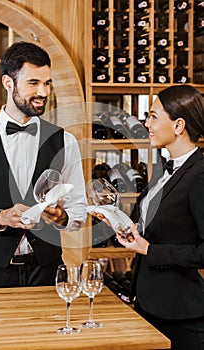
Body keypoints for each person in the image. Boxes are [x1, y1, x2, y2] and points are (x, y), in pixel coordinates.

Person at [0, 41, 87, 288]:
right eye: (33, 83)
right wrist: (0, 218)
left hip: (48, 274)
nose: (43, 92)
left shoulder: (65, 141)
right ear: (8, 83)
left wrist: (61, 216)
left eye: (47, 84)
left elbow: (79, 214)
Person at [95, 85, 204, 350]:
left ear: (178, 125)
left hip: (181, 316)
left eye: (153, 116)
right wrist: (125, 226)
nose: (146, 123)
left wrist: (149, 250)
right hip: (147, 305)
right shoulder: (164, 171)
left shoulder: (200, 176)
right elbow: (162, 226)